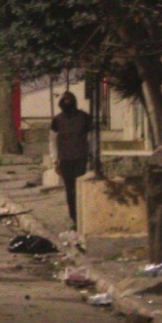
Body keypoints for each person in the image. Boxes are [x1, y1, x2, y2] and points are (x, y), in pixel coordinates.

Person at [50, 91, 93, 228]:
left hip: (80, 157)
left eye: (69, 100)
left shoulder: (84, 118)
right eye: (65, 101)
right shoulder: (57, 120)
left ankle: (81, 217)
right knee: (69, 190)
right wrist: (55, 160)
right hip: (65, 160)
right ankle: (74, 218)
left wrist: (93, 155)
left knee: (79, 189)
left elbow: (91, 139)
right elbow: (53, 141)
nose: (67, 104)